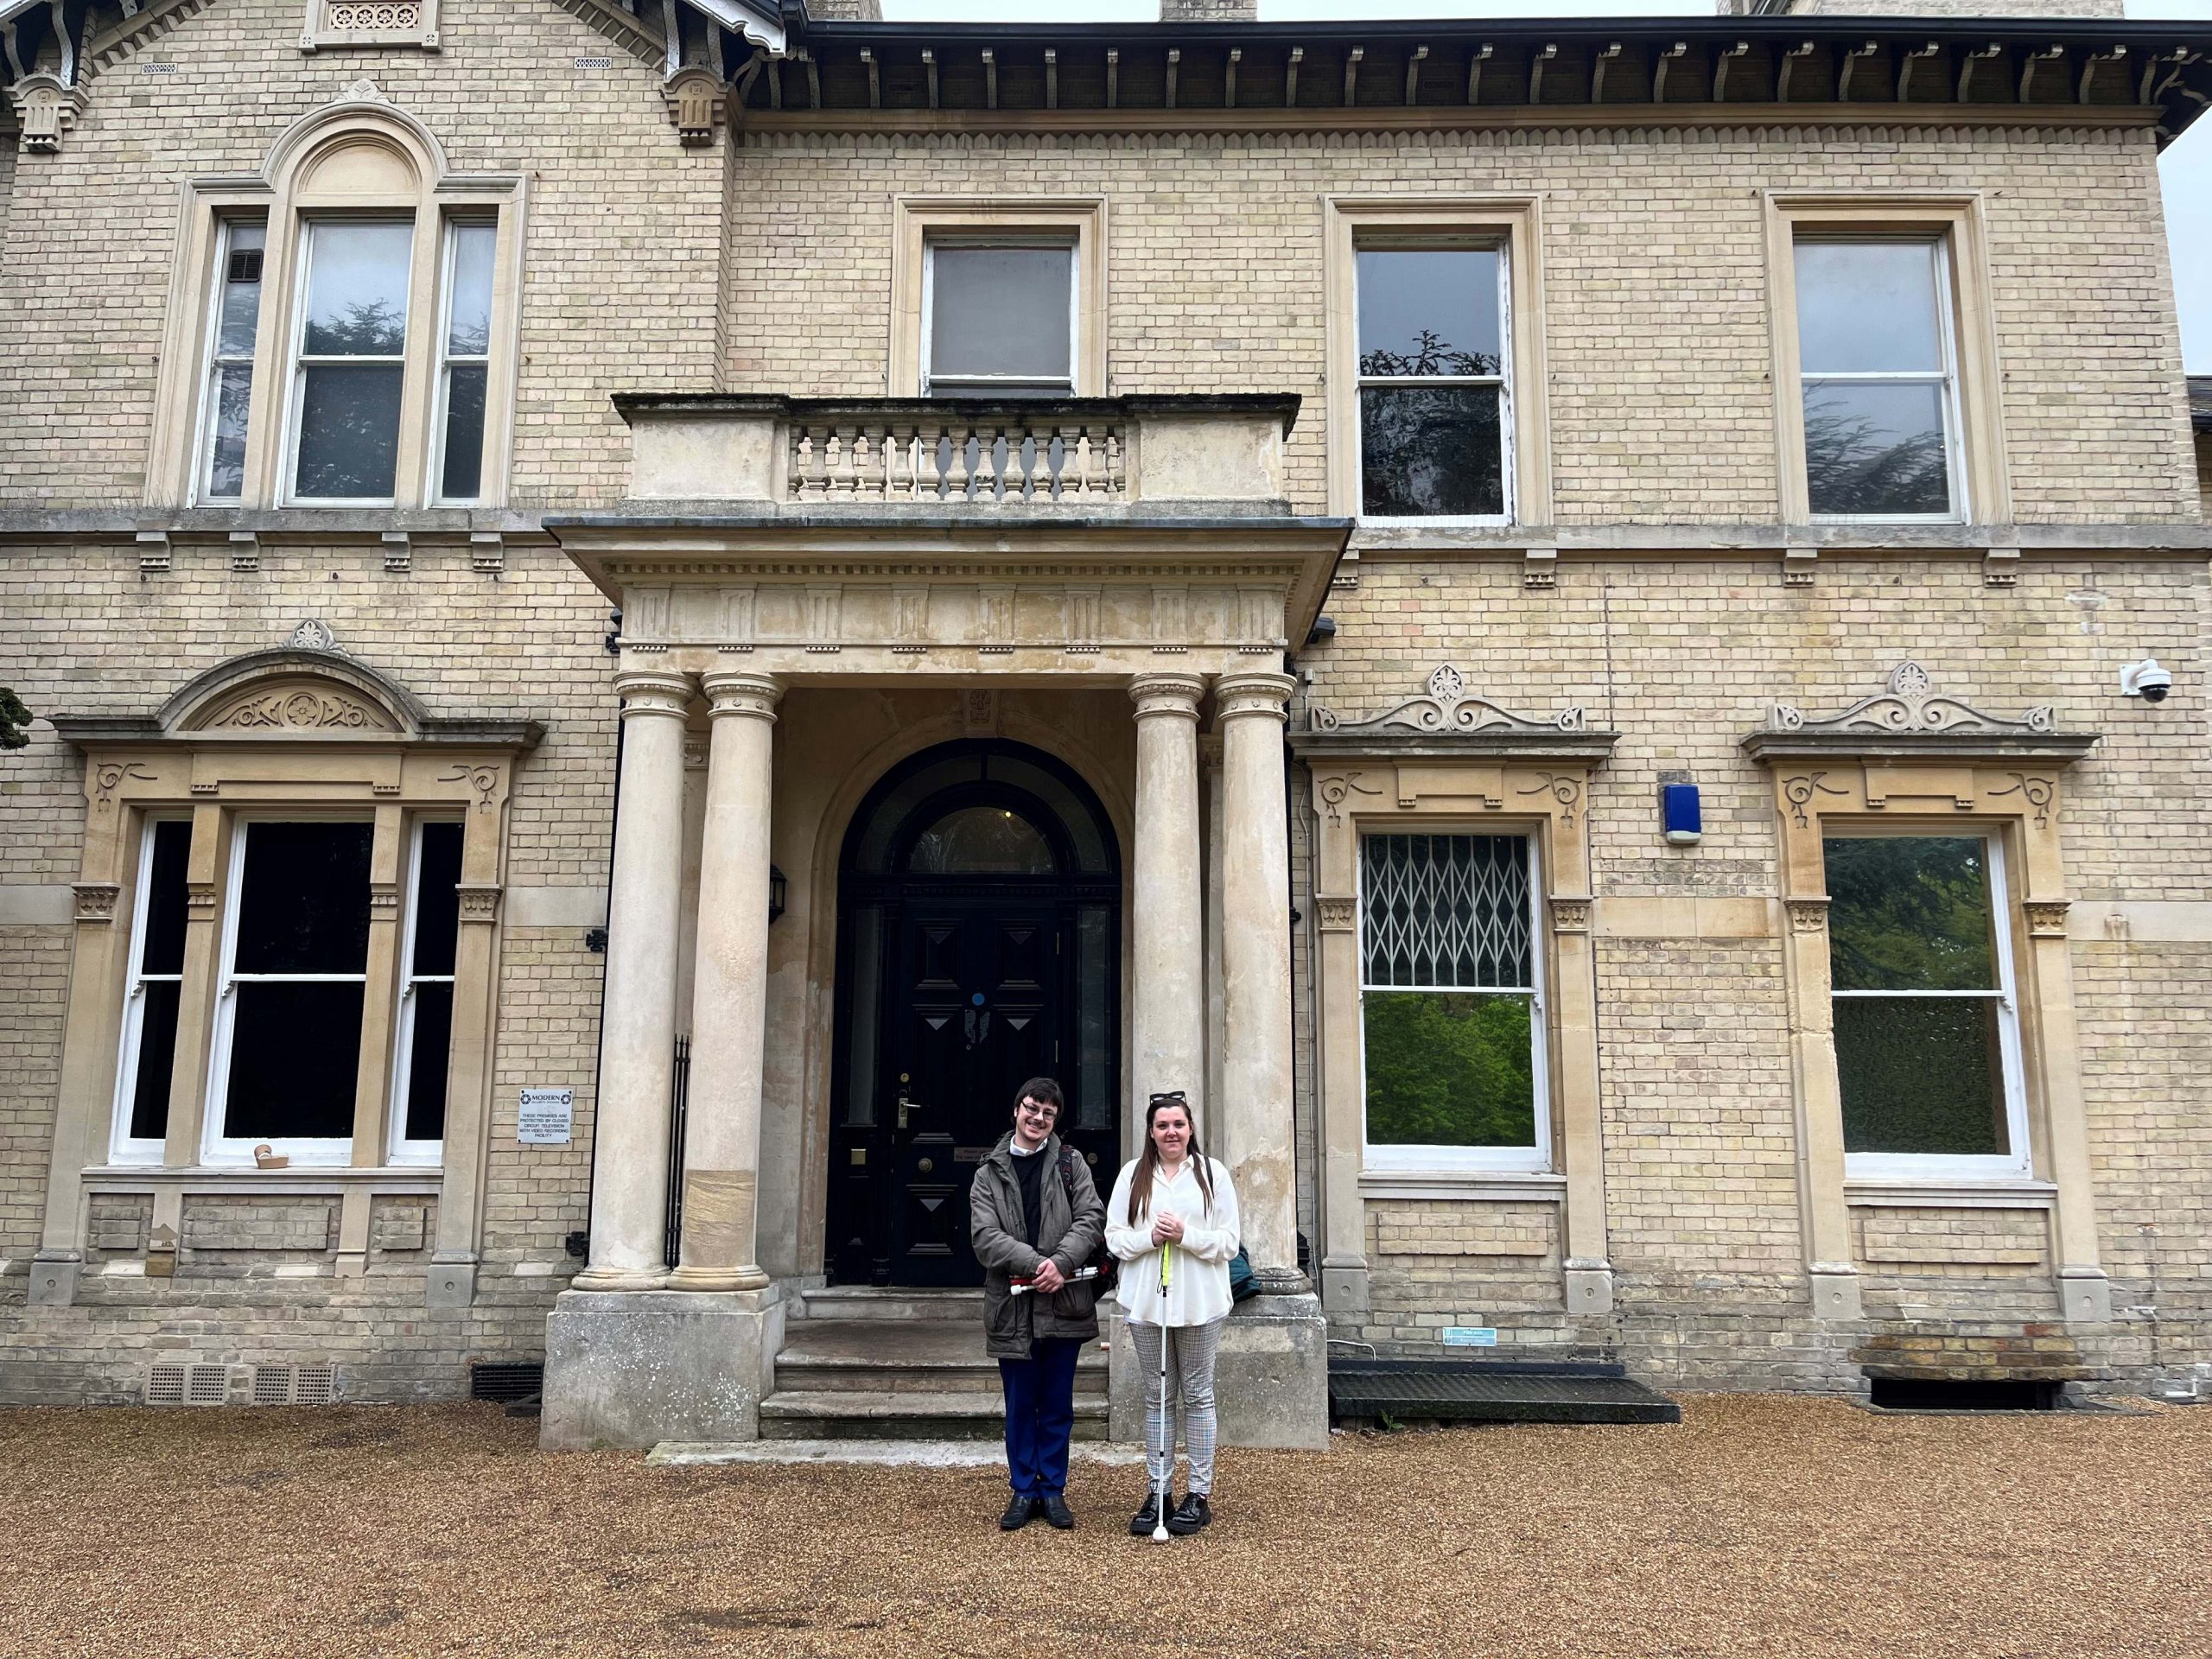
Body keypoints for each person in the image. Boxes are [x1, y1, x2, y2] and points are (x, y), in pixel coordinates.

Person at [969, 1076, 1105, 1531]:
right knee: (1020, 1403)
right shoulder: (988, 1172)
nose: (1038, 1118)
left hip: (1062, 1303)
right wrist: (1037, 1264)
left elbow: (1091, 1218)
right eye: (1032, 1108)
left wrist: (1061, 1265)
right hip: (1013, 1307)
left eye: (1048, 1113)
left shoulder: (1071, 1165)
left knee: (1058, 1404)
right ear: (1016, 1110)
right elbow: (985, 1239)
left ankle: (1054, 1489)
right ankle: (1023, 1489)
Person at [1104, 1089, 1240, 1537]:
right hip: (1147, 1302)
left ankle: (1198, 1493)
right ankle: (1158, 1488)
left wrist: (1186, 1235)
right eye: (1162, 1125)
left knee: (1198, 1394)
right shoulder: (1132, 1176)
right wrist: (1151, 1239)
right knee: (1158, 1397)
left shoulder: (1212, 1174)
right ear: (1151, 1131)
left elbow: (1228, 1242)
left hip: (1200, 1302)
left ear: (1191, 1128)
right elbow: (1115, 1238)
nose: (1171, 1132)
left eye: (1178, 1124)